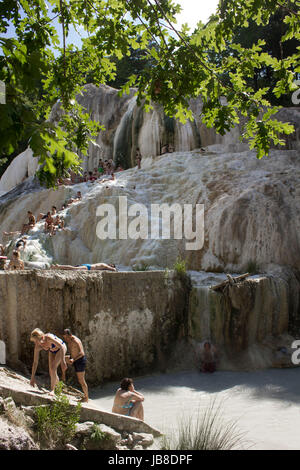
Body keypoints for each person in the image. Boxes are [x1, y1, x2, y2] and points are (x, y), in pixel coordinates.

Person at [30, 329, 67, 394]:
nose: (35, 343)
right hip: (52, 350)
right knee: (51, 370)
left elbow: (61, 347)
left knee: (53, 368)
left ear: (40, 338)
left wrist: (63, 361)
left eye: (36, 341)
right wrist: (32, 377)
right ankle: (58, 389)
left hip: (61, 349)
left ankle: (52, 390)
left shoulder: (49, 338)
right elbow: (35, 362)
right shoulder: (38, 346)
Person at [62, 329, 89, 402]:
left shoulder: (76, 341)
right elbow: (72, 351)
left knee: (81, 380)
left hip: (80, 360)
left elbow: (82, 353)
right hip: (74, 359)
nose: (66, 339)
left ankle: (86, 397)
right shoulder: (69, 341)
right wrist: (70, 358)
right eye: (64, 337)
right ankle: (62, 380)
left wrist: (73, 359)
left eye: (66, 337)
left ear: (70, 335)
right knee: (60, 359)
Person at [50, 262, 117, 272]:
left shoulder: (103, 265)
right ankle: (58, 266)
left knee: (73, 268)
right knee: (73, 269)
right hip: (88, 267)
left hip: (87, 266)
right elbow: (113, 269)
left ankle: (59, 267)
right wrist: (114, 269)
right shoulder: (105, 265)